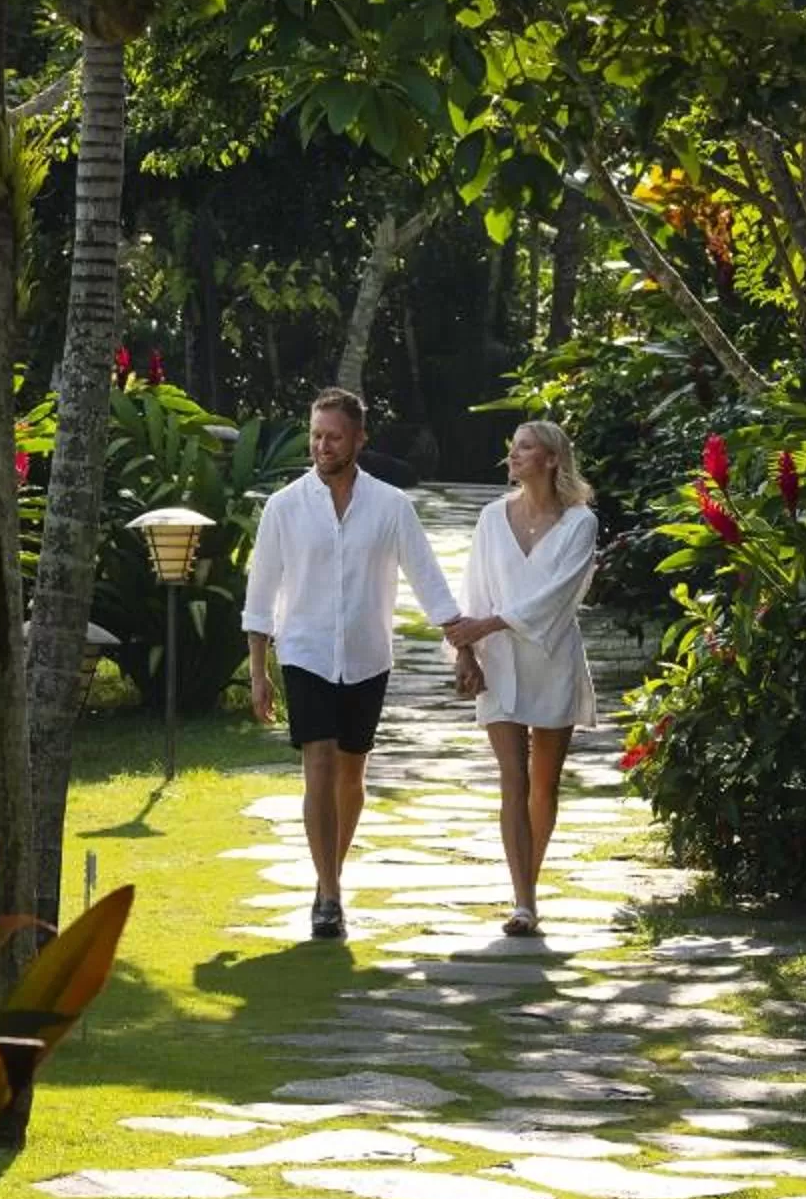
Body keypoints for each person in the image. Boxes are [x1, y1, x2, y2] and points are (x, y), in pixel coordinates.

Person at [244, 386, 462, 941]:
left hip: (367, 655)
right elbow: (261, 593)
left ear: (359, 439)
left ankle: (329, 878)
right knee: (317, 762)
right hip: (305, 652)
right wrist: (258, 672)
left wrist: (461, 641)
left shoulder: (391, 506)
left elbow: (427, 578)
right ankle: (329, 894)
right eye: (316, 435)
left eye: (334, 437)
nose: (323, 446)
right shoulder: (284, 507)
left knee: (351, 773)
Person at [438, 419, 599, 938]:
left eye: (526, 447)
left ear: (551, 459)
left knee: (543, 783)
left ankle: (528, 882)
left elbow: (557, 597)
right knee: (514, 777)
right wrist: (466, 653)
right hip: (499, 661)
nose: (514, 455)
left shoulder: (580, 523)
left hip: (552, 661)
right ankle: (523, 901)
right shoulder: (491, 518)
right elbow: (475, 590)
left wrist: (486, 625)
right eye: (513, 447)